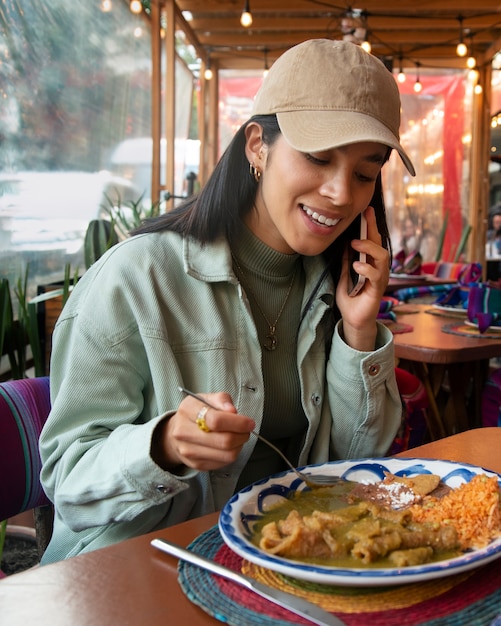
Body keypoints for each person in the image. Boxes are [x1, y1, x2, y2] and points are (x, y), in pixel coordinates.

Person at [39, 39, 415, 563]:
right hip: (134, 573)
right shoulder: (138, 276)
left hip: (274, 566)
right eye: (318, 156)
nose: (340, 193)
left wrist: (358, 332)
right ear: (257, 145)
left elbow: (358, 466)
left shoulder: (334, 289)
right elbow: (66, 478)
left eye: (365, 171)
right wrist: (165, 445)